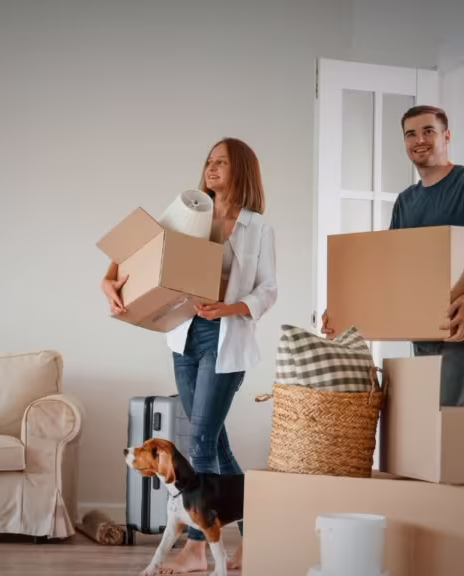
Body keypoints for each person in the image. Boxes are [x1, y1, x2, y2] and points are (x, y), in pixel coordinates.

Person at [101, 137, 278, 573]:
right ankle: (260, 533)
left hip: (226, 339)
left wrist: (229, 308)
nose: (211, 168)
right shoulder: (188, 212)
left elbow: (267, 290)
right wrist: (108, 281)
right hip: (184, 336)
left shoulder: (258, 227)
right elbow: (137, 252)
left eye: (221, 162)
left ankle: (197, 546)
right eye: (208, 162)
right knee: (213, 441)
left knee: (199, 440)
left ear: (241, 170)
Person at [322, 105, 464, 406]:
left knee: (450, 416)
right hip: (423, 326)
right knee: (429, 420)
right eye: (410, 134)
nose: (419, 140)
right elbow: (391, 268)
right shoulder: (406, 201)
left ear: (446, 136)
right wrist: (343, 311)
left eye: (428, 131)